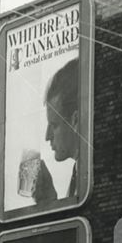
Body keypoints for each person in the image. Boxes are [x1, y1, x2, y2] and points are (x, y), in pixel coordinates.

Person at [33, 57, 80, 204]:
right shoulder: (78, 175)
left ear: (76, 120)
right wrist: (50, 202)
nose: (47, 137)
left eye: (54, 125)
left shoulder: (86, 177)